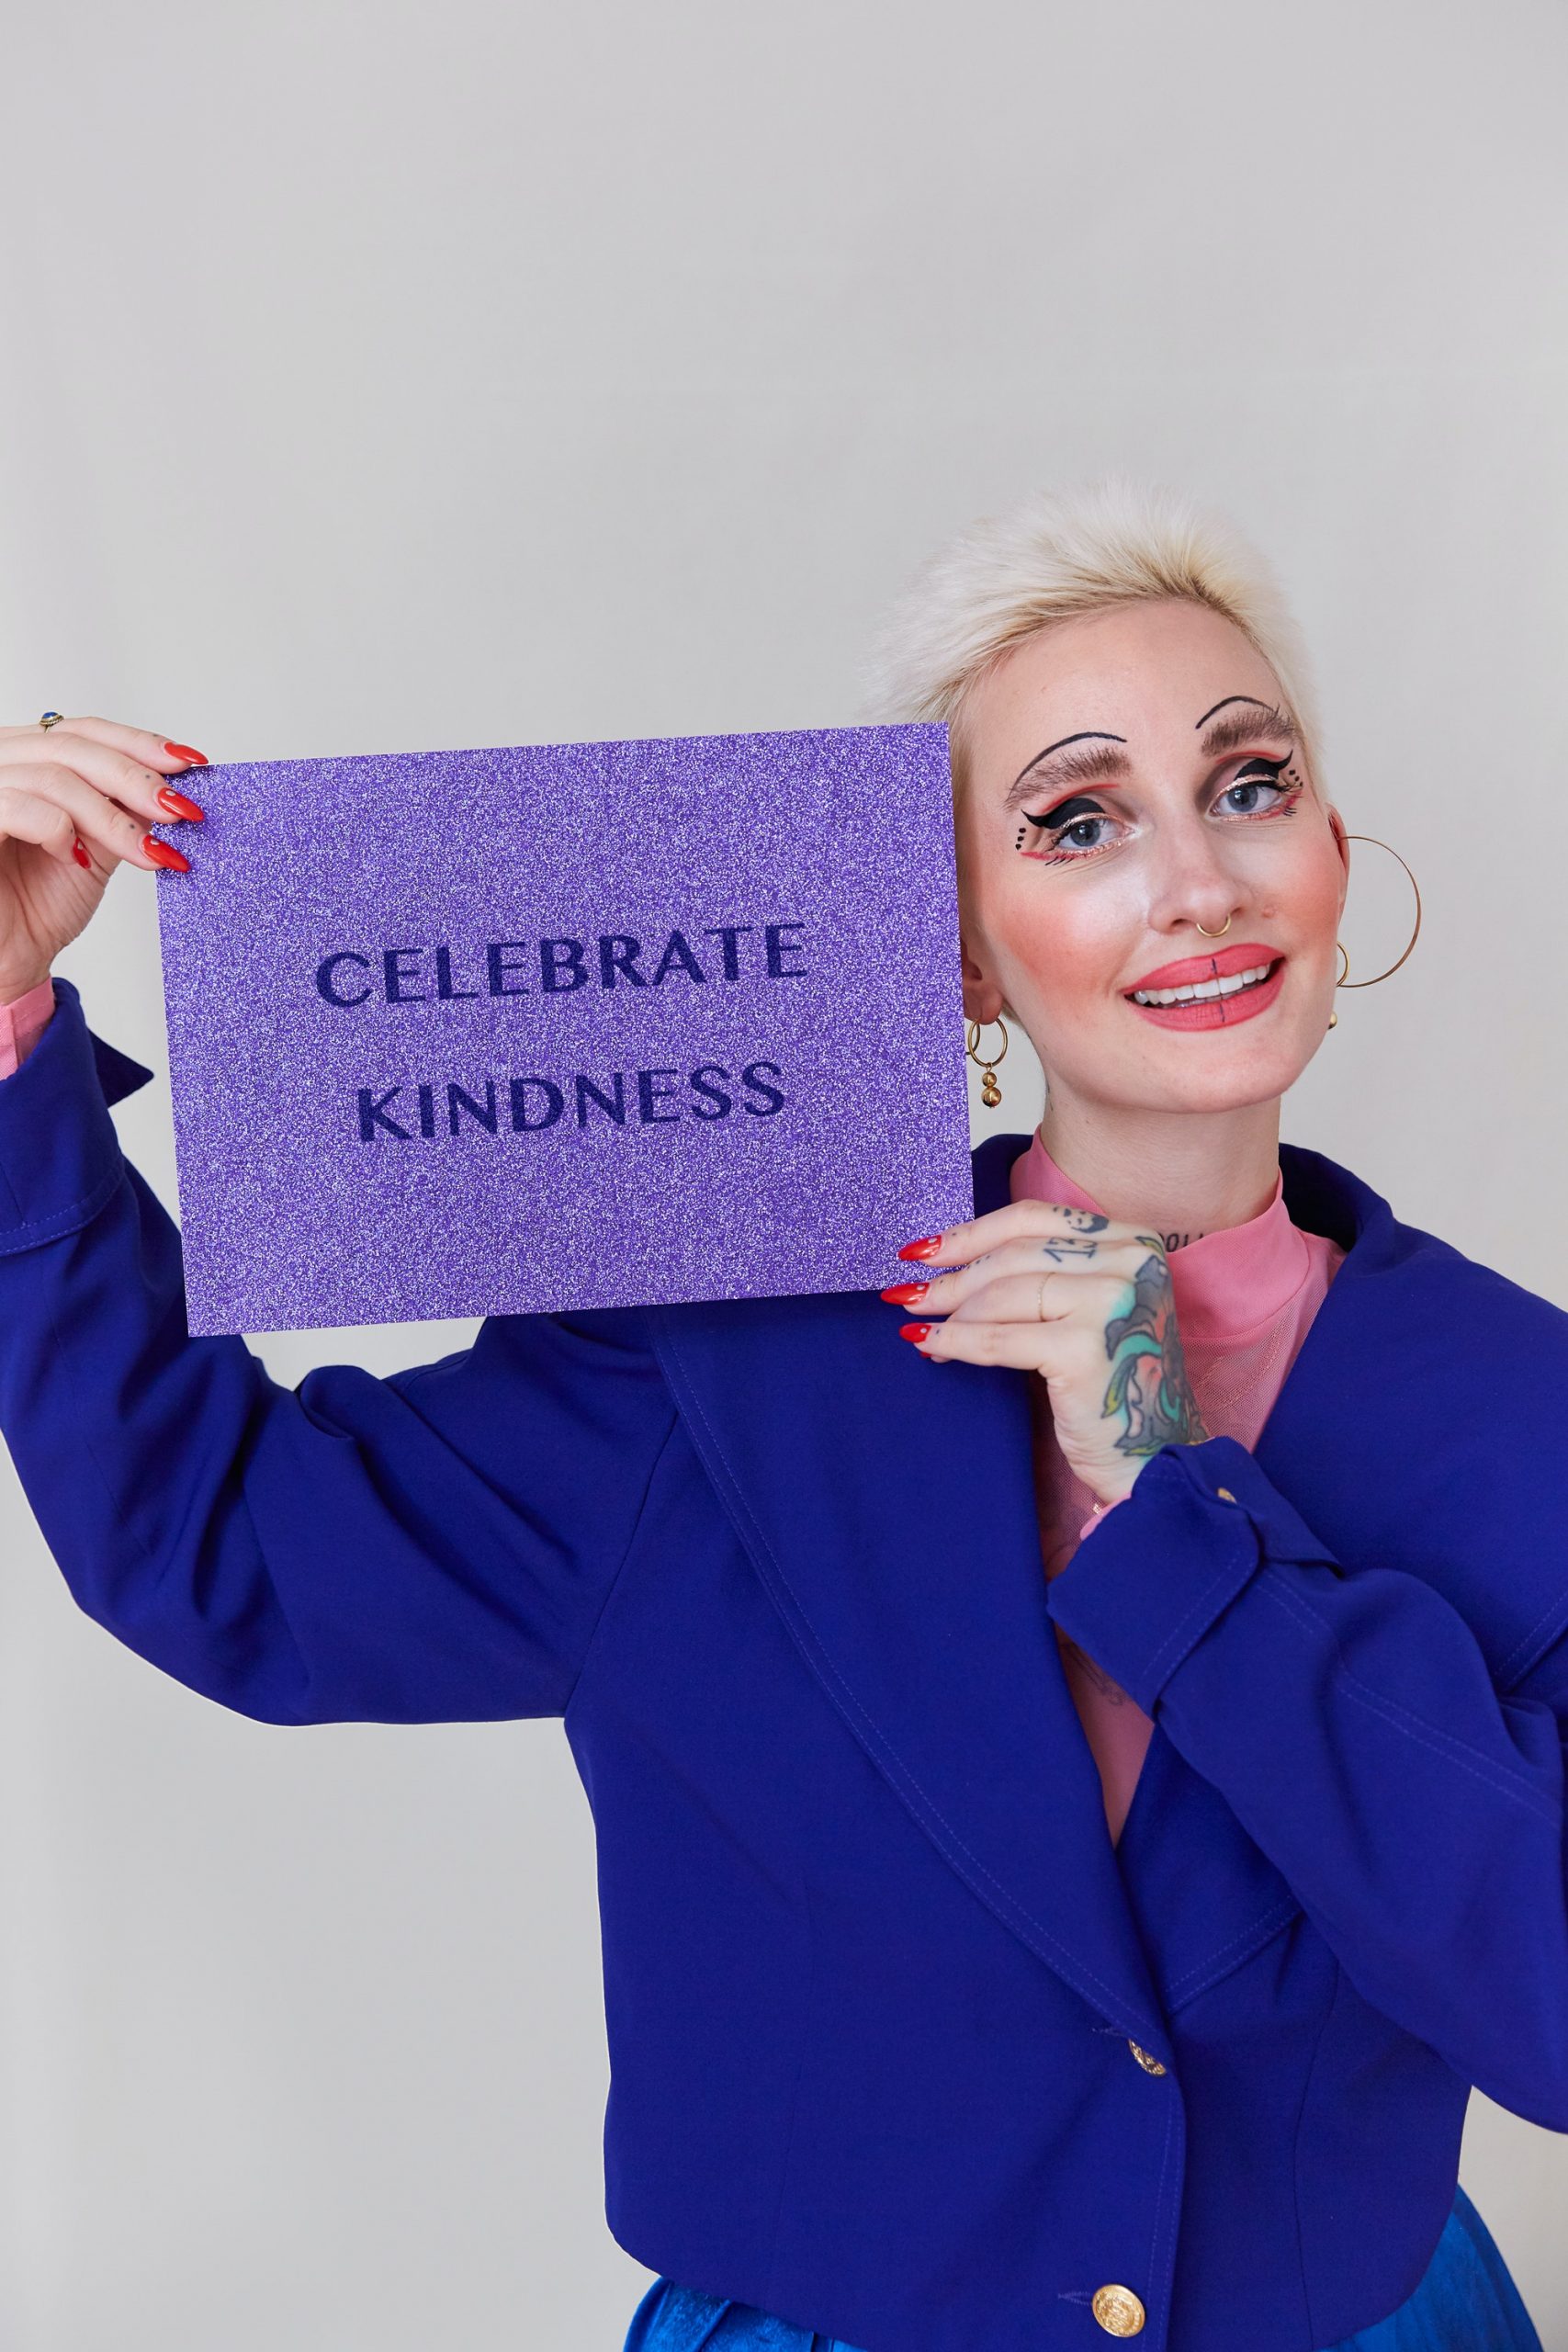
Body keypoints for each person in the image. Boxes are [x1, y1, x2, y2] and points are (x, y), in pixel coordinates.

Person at [0, 479, 1560, 2352]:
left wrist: (1174, 1507)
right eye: (1076, 818)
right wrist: (9, 1031)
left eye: (1247, 782)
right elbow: (223, 1550)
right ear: (961, 952)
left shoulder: (1513, 1405)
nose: (1197, 877)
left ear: (1323, 850)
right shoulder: (729, 1344)